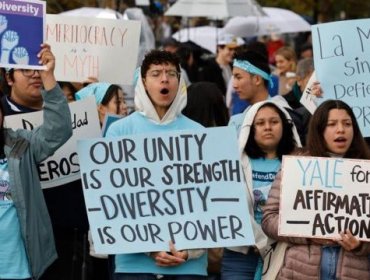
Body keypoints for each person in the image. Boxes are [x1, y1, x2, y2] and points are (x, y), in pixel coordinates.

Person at [106, 50, 207, 279]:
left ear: (179, 81)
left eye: (171, 73)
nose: (164, 79)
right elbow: (113, 200)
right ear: (143, 81)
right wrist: (150, 248)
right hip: (134, 265)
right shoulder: (119, 132)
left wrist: (188, 251)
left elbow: (209, 203)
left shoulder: (199, 134)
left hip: (188, 266)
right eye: (156, 73)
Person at [1, 47, 90, 280]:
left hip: (21, 268)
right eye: (26, 69)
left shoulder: (20, 144)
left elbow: (58, 130)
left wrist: (48, 75)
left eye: (36, 69)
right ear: (9, 79)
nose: (34, 74)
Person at [262, 99, 370, 280]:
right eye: (332, 124)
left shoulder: (366, 171)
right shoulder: (298, 166)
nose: (341, 130)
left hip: (353, 270)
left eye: (347, 124)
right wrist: (307, 234)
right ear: (319, 130)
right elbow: (268, 219)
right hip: (300, 270)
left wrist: (360, 246)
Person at [221, 101, 301, 280]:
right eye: (260, 123)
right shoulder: (234, 165)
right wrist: (260, 241)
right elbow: (229, 206)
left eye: (274, 122)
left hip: (284, 254)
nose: (267, 127)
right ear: (250, 128)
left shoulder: (299, 165)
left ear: (285, 126)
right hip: (240, 256)